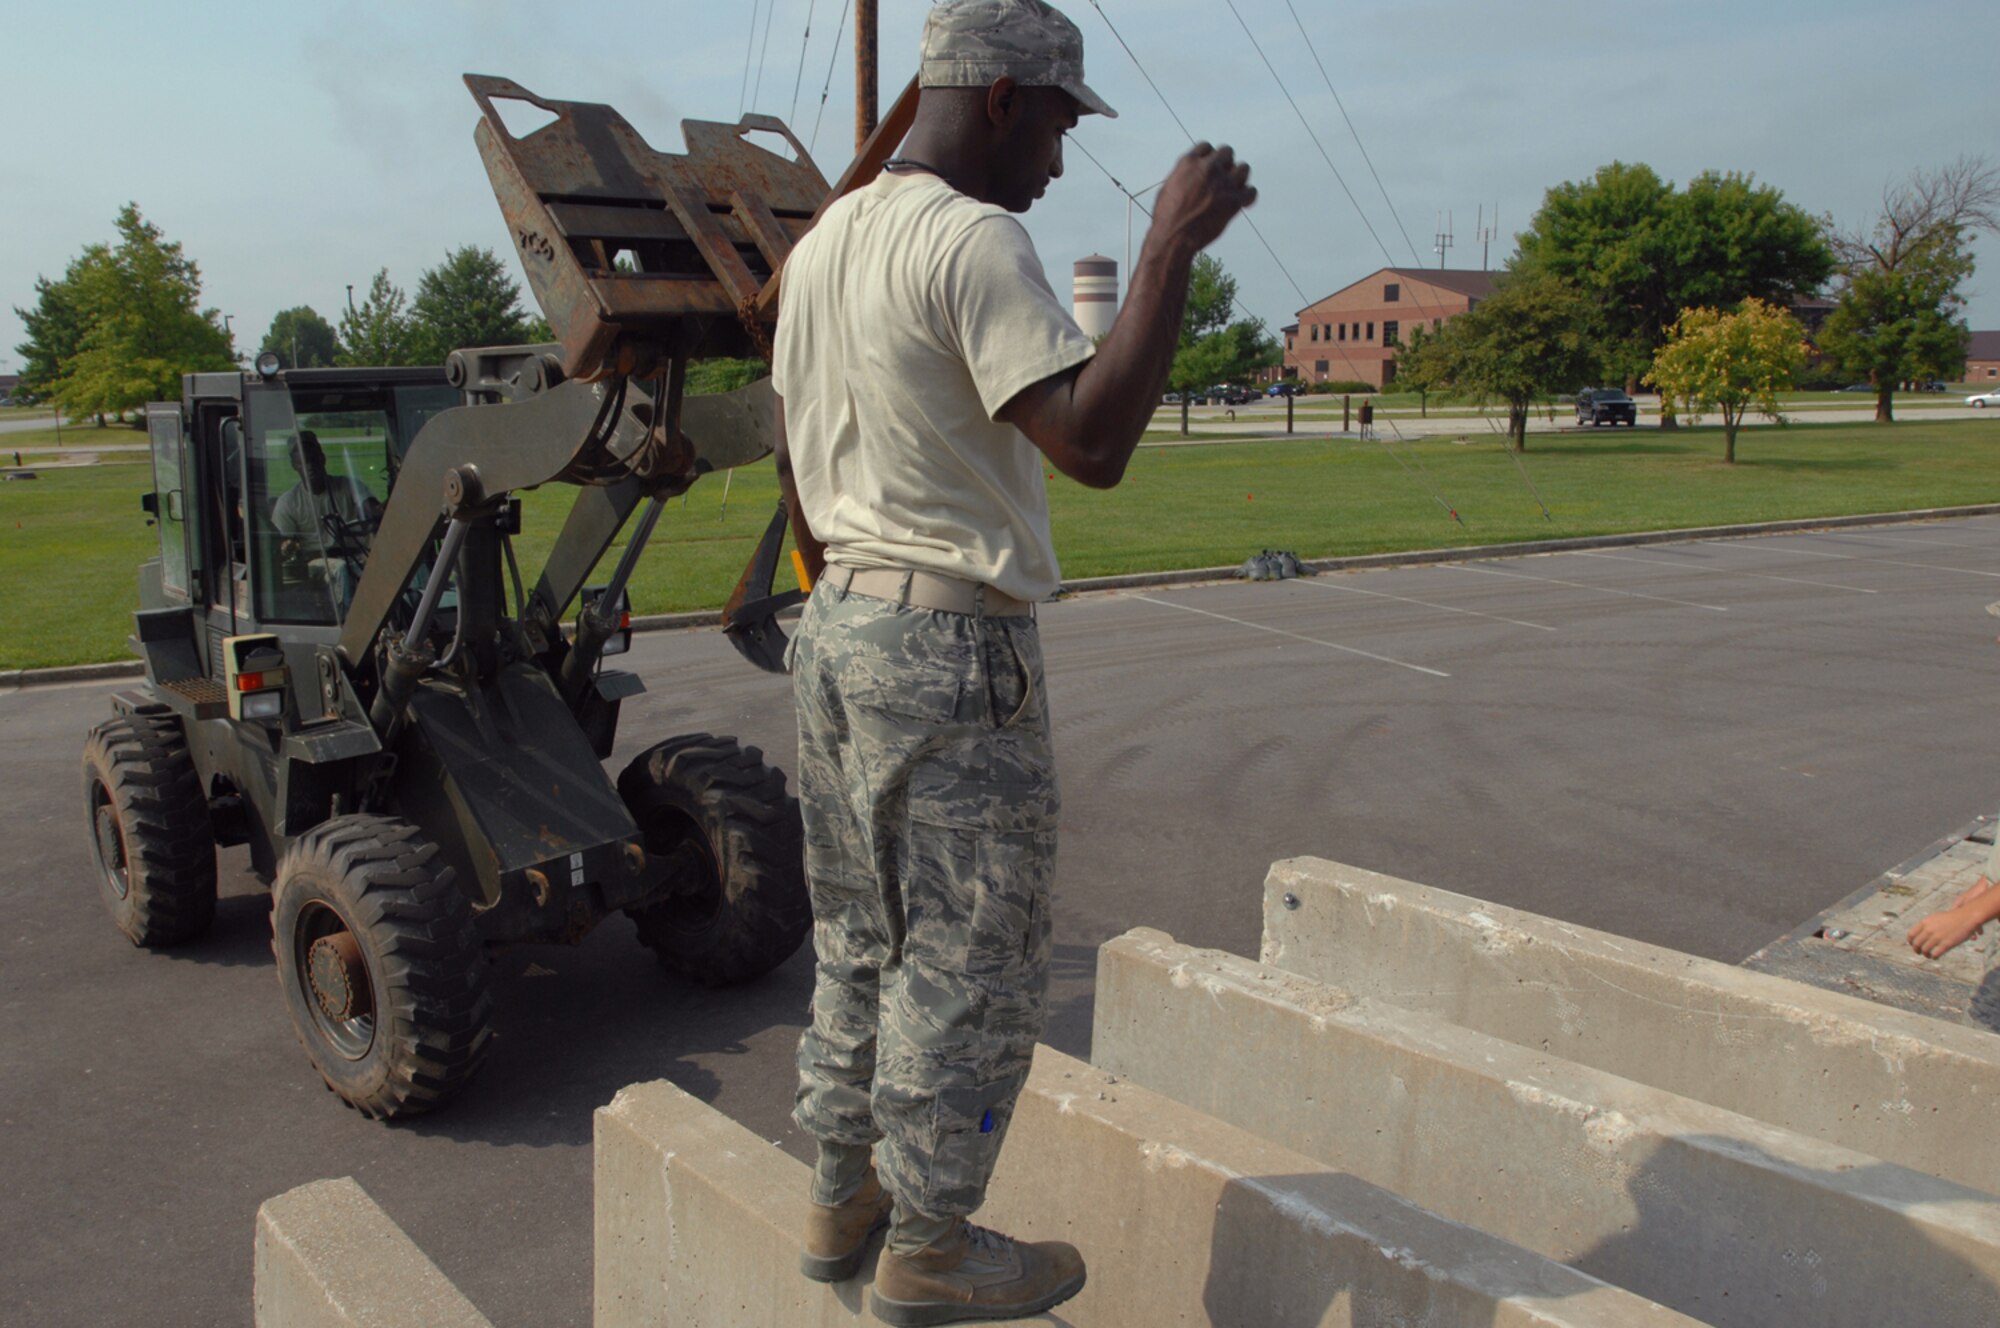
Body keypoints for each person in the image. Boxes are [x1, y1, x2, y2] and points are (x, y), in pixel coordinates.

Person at [769, 1, 1254, 1321]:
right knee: (972, 958)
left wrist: (841, 598)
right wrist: (1167, 249)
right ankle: (930, 1243)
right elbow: (1089, 443)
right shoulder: (976, 240)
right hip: (947, 637)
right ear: (998, 99)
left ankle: (840, 1190)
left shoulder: (822, 245)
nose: (1055, 157)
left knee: (859, 934)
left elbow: (793, 464)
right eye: (1051, 120)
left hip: (838, 626)